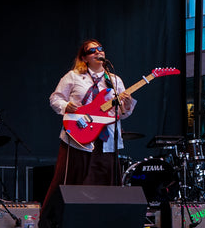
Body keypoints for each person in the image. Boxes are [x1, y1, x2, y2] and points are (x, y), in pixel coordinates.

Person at [39, 39, 136, 228]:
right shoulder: (73, 77)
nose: (98, 52)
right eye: (92, 50)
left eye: (100, 49)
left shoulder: (115, 81)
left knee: (104, 185)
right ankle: (55, 222)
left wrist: (127, 104)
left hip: (105, 140)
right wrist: (67, 105)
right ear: (84, 57)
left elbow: (122, 114)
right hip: (77, 138)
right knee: (71, 182)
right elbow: (55, 98)